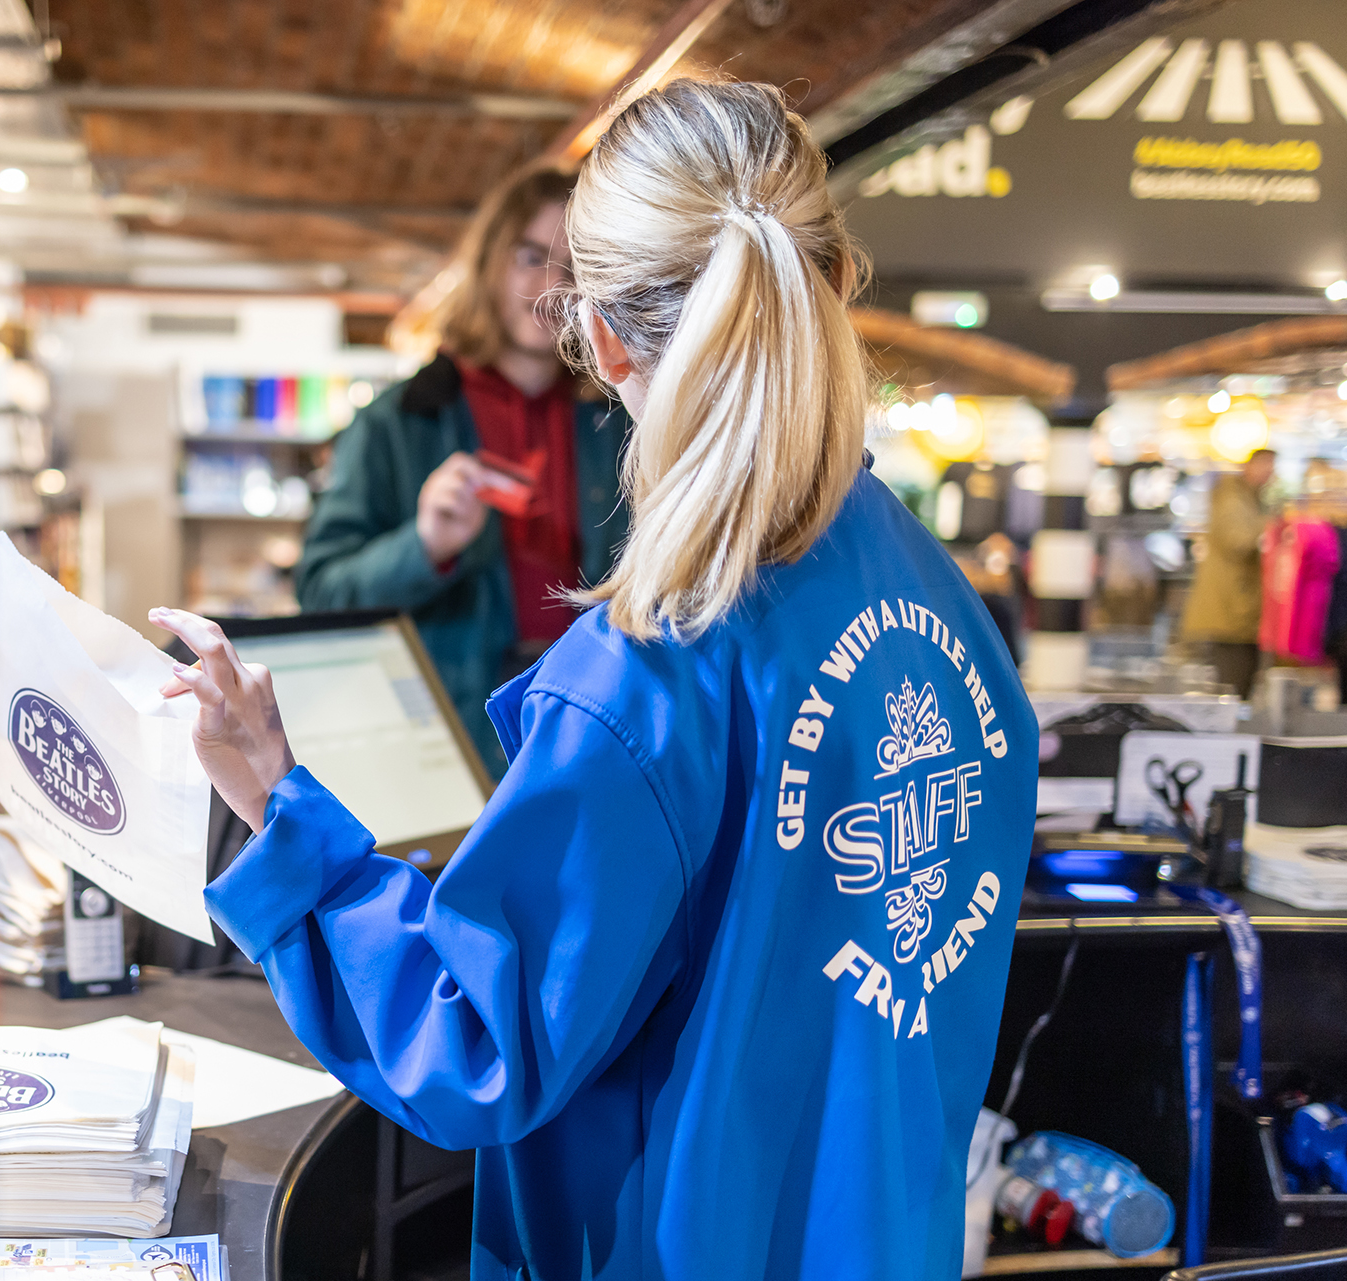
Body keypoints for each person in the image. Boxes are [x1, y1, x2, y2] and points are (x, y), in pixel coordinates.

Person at [152, 79, 1035, 1280]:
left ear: (605, 337)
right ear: (835, 283)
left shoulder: (649, 669)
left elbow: (471, 1039)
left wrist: (278, 806)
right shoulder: (945, 606)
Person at [296, 166, 630, 774]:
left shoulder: (618, 418)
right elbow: (320, 591)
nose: (552, 287)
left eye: (574, 267)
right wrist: (423, 545)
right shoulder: (399, 421)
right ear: (490, 266)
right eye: (532, 257)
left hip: (593, 735)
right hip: (451, 748)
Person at [1181, 448, 1275, 696]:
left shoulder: (1249, 497)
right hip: (1231, 603)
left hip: (1239, 604)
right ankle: (1231, 731)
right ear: (1249, 467)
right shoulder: (1233, 498)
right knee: (1234, 681)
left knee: (1240, 677)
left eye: (1272, 467)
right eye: (1265, 466)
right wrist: (1270, 527)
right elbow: (1239, 542)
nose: (1269, 473)